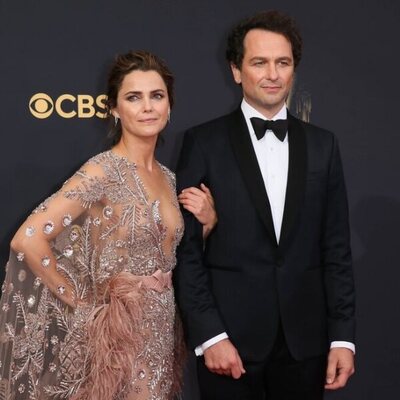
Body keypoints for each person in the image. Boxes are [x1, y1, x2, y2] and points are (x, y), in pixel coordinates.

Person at [0, 50, 216, 400]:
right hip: (118, 337)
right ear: (114, 109)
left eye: (156, 96)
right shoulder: (102, 171)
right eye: (134, 97)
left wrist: (207, 224)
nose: (147, 106)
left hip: (163, 332)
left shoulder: (171, 178)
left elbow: (175, 254)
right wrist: (83, 305)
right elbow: (27, 239)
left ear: (169, 106)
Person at [175, 10, 355, 400]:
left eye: (283, 63)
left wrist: (343, 338)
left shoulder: (324, 146)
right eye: (259, 62)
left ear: (293, 70)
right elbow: (186, 252)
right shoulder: (203, 142)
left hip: (305, 346)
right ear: (236, 70)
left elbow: (336, 249)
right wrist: (211, 335)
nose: (272, 74)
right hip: (230, 345)